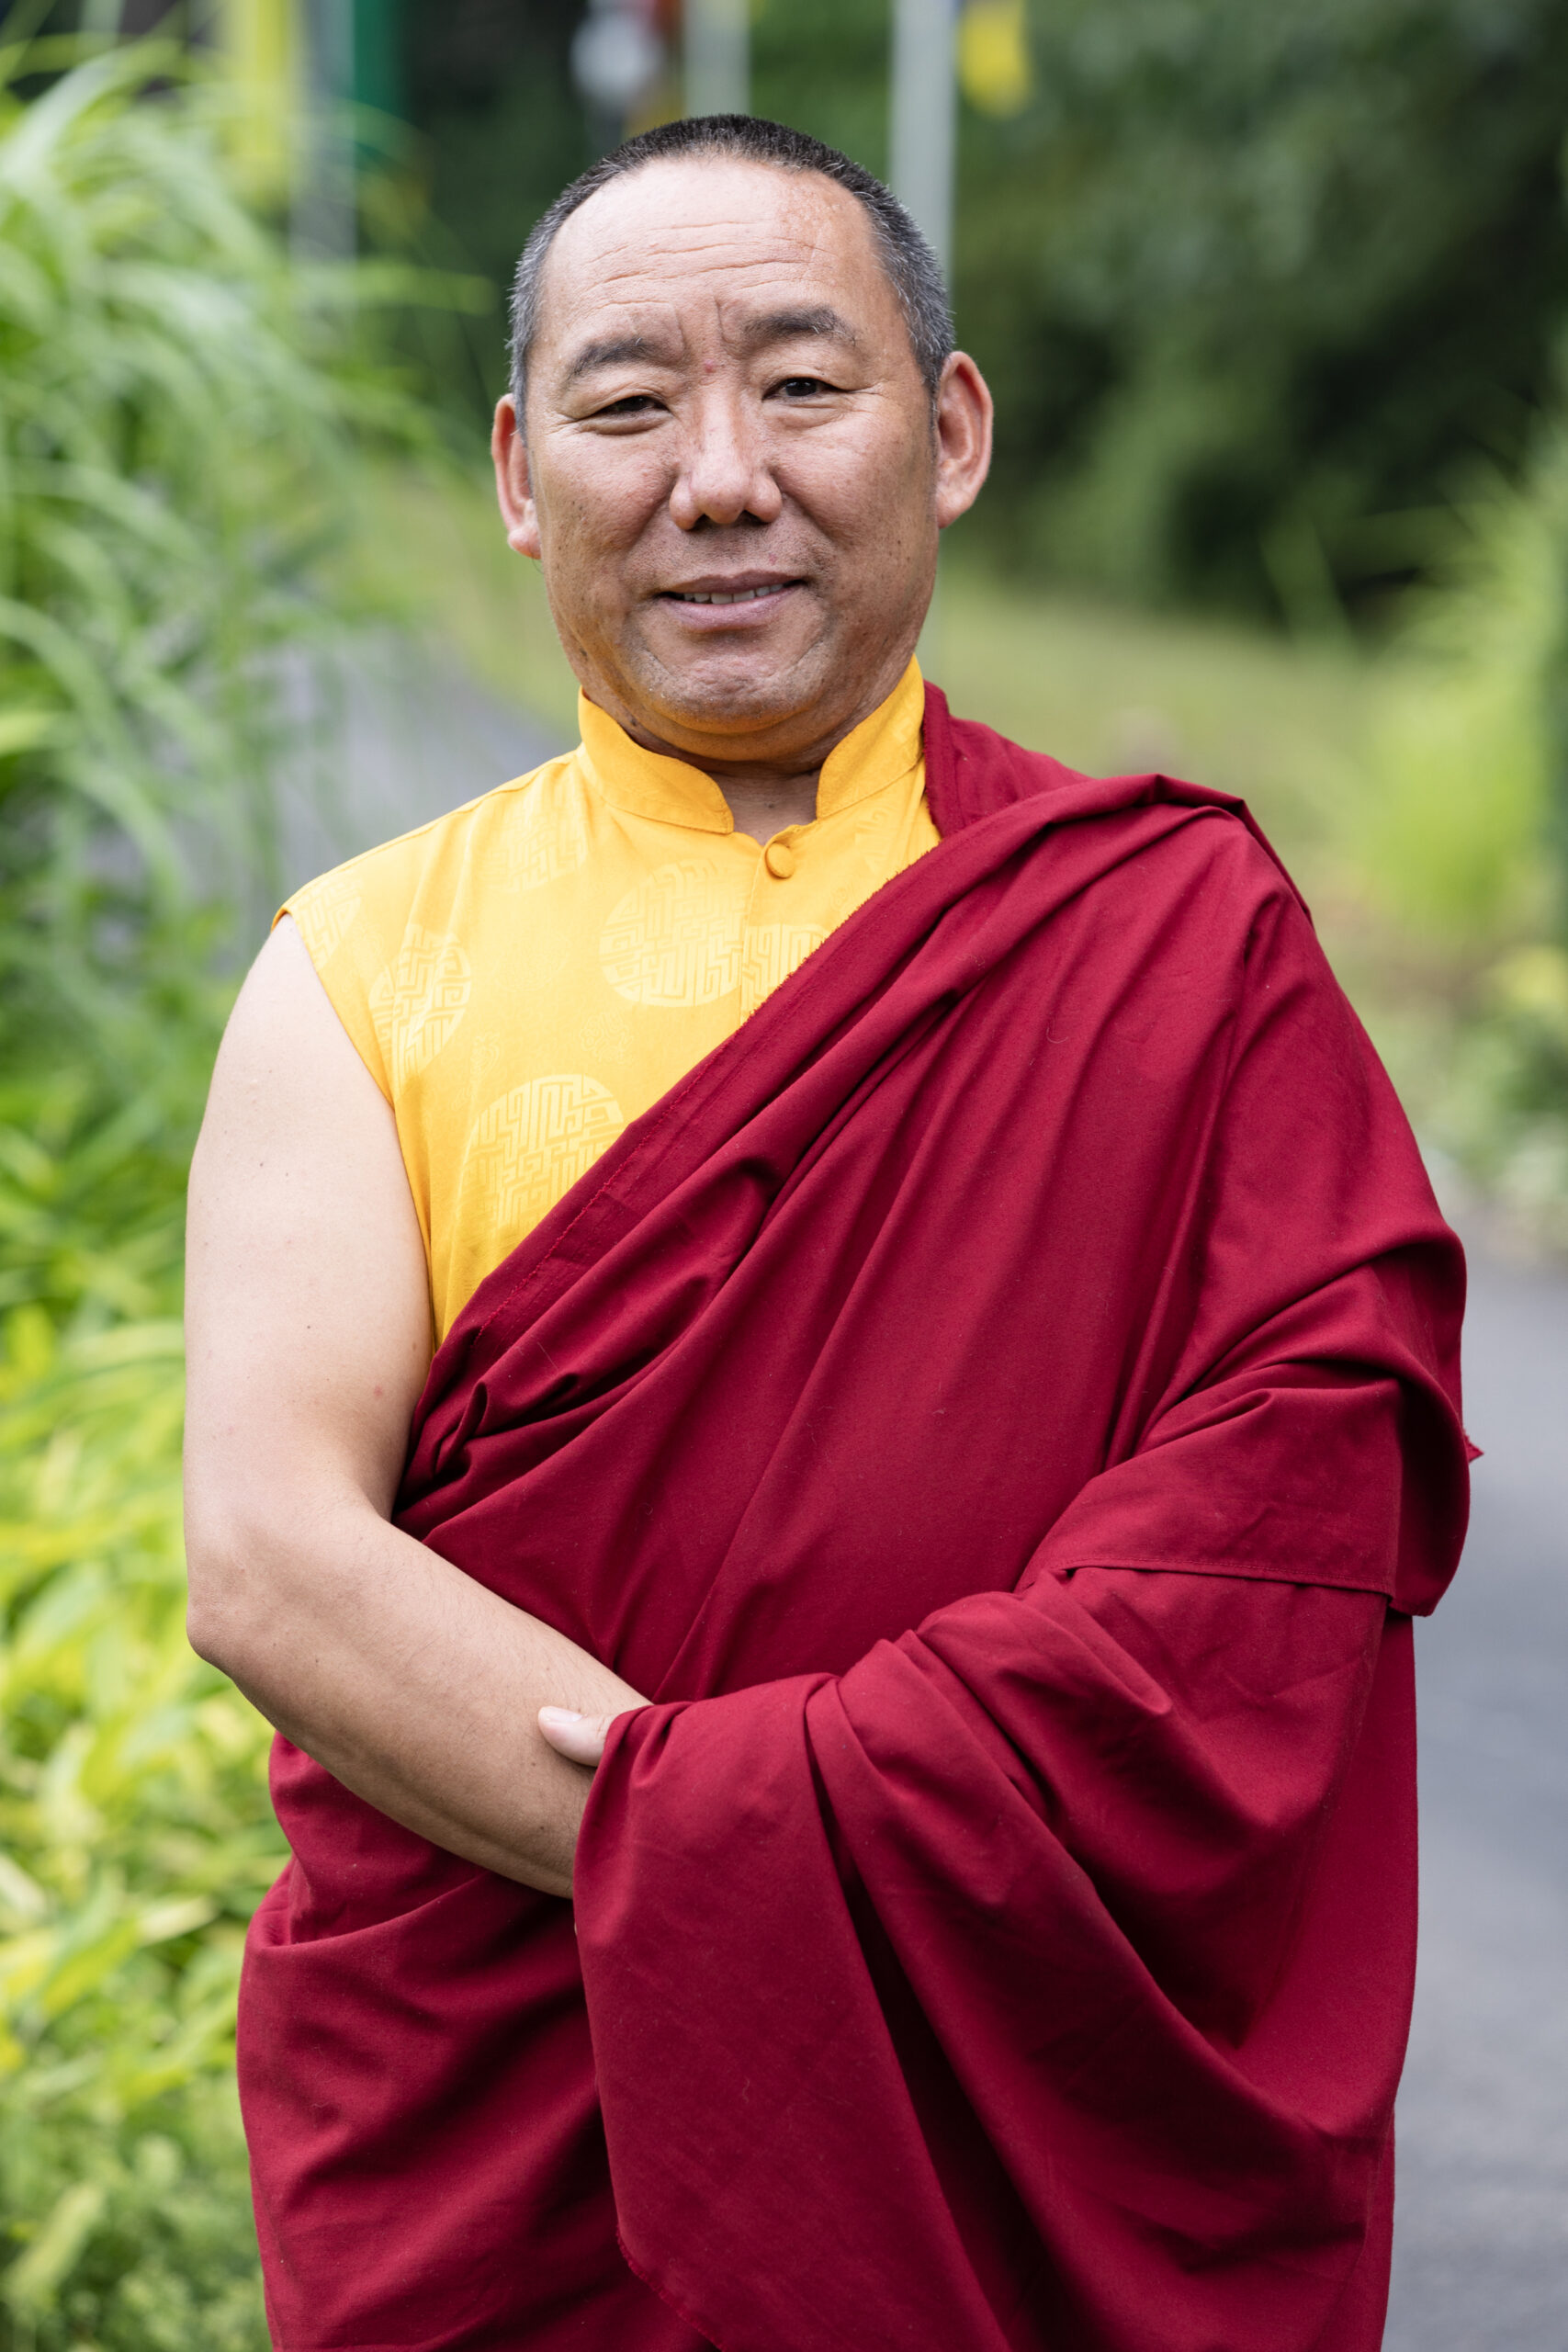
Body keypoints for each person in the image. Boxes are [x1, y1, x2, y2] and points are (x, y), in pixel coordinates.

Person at [183, 115, 1470, 2352]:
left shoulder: (1172, 938)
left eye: (798, 383)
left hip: (1022, 2094)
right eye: (625, 403)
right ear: (516, 472)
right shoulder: (363, 970)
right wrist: (738, 1841)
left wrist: (741, 1836)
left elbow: (1289, 1500)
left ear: (947, 432)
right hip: (520, 2151)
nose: (718, 479)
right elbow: (275, 1551)